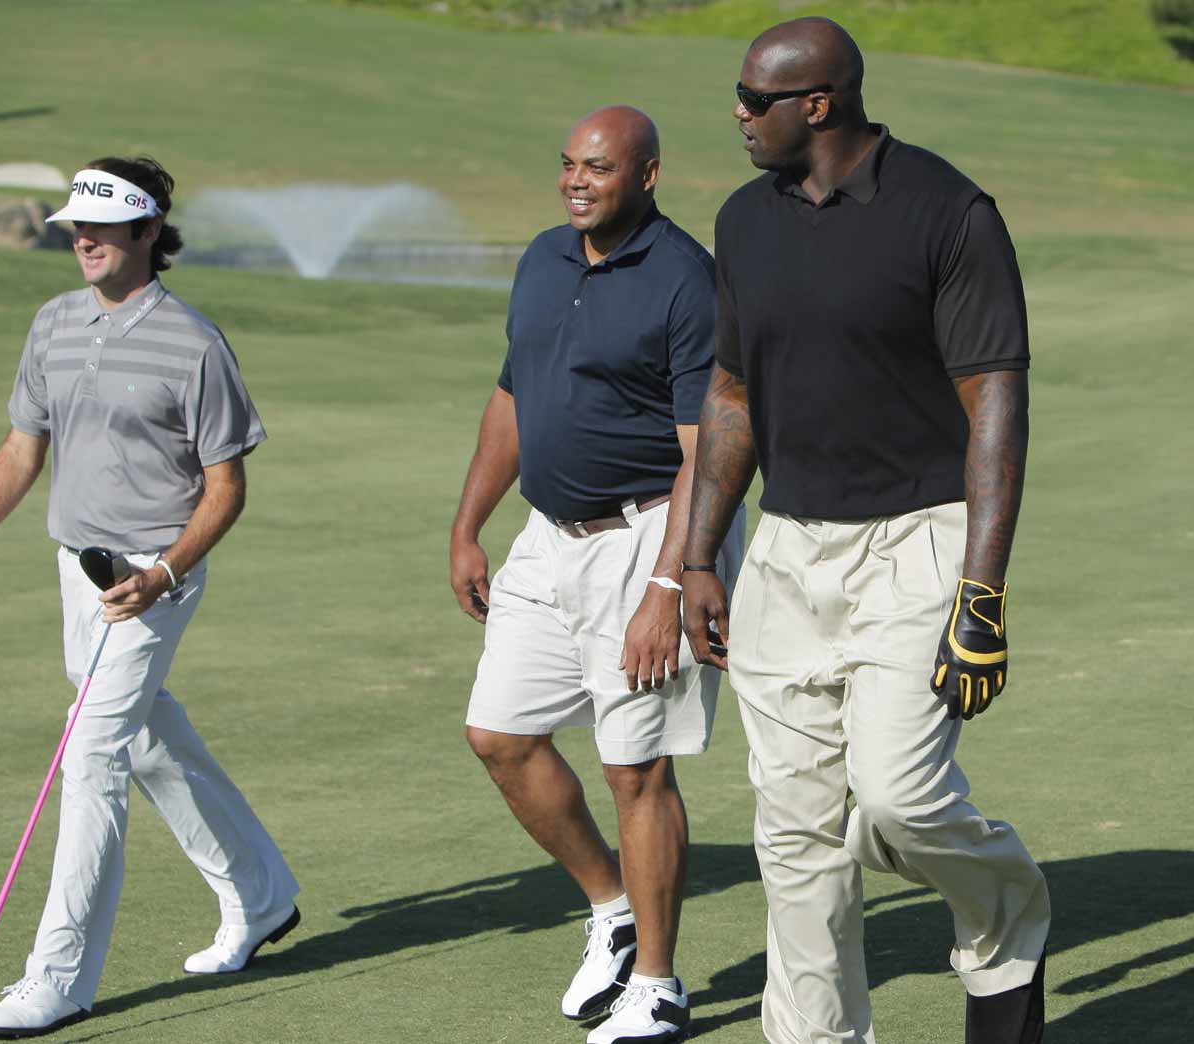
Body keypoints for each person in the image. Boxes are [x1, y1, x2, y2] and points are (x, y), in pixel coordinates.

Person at [679, 18, 1050, 1044]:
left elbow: (994, 405)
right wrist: (696, 555)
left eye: (756, 98)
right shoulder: (742, 221)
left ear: (819, 104)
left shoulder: (945, 211)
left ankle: (1007, 920)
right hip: (788, 550)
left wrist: (982, 590)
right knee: (795, 841)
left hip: (919, 543)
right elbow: (729, 390)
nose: (739, 114)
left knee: (896, 798)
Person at [0, 156, 300, 1038]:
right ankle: (260, 892)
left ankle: (58, 977)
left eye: (101, 226)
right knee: (145, 735)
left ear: (146, 233)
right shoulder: (53, 322)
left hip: (156, 575)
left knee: (91, 753)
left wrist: (165, 572)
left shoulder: (195, 342)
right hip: (78, 569)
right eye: (73, 228)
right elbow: (24, 448)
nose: (82, 240)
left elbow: (226, 487)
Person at [450, 105, 743, 1044]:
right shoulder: (542, 257)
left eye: (600, 168)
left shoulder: (687, 281)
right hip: (549, 533)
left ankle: (658, 985)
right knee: (499, 734)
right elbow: (512, 396)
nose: (578, 181)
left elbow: (709, 450)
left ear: (647, 176)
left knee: (636, 771)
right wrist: (467, 526)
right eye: (569, 165)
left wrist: (670, 587)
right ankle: (613, 910)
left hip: (646, 537)